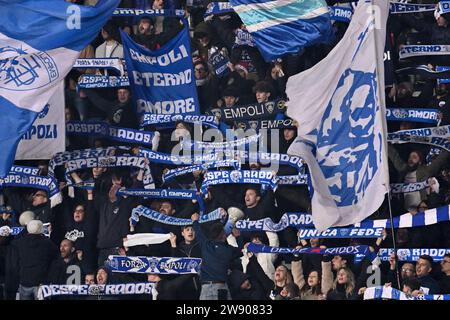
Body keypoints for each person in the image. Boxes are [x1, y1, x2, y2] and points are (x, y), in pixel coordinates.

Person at [191, 212, 243, 300]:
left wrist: (195, 221)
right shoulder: (229, 250)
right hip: (222, 288)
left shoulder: (206, 245)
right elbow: (241, 250)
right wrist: (238, 236)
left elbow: (199, 233)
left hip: (207, 289)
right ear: (223, 235)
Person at [15, 220, 59, 300]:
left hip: (24, 281)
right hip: (41, 284)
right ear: (41, 229)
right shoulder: (47, 243)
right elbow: (57, 256)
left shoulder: (19, 242)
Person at [169, 228, 202, 300]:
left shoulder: (201, 246)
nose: (190, 232)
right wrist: (173, 244)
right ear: (182, 233)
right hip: (183, 288)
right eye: (187, 230)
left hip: (200, 287)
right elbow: (174, 265)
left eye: (193, 230)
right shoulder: (178, 248)